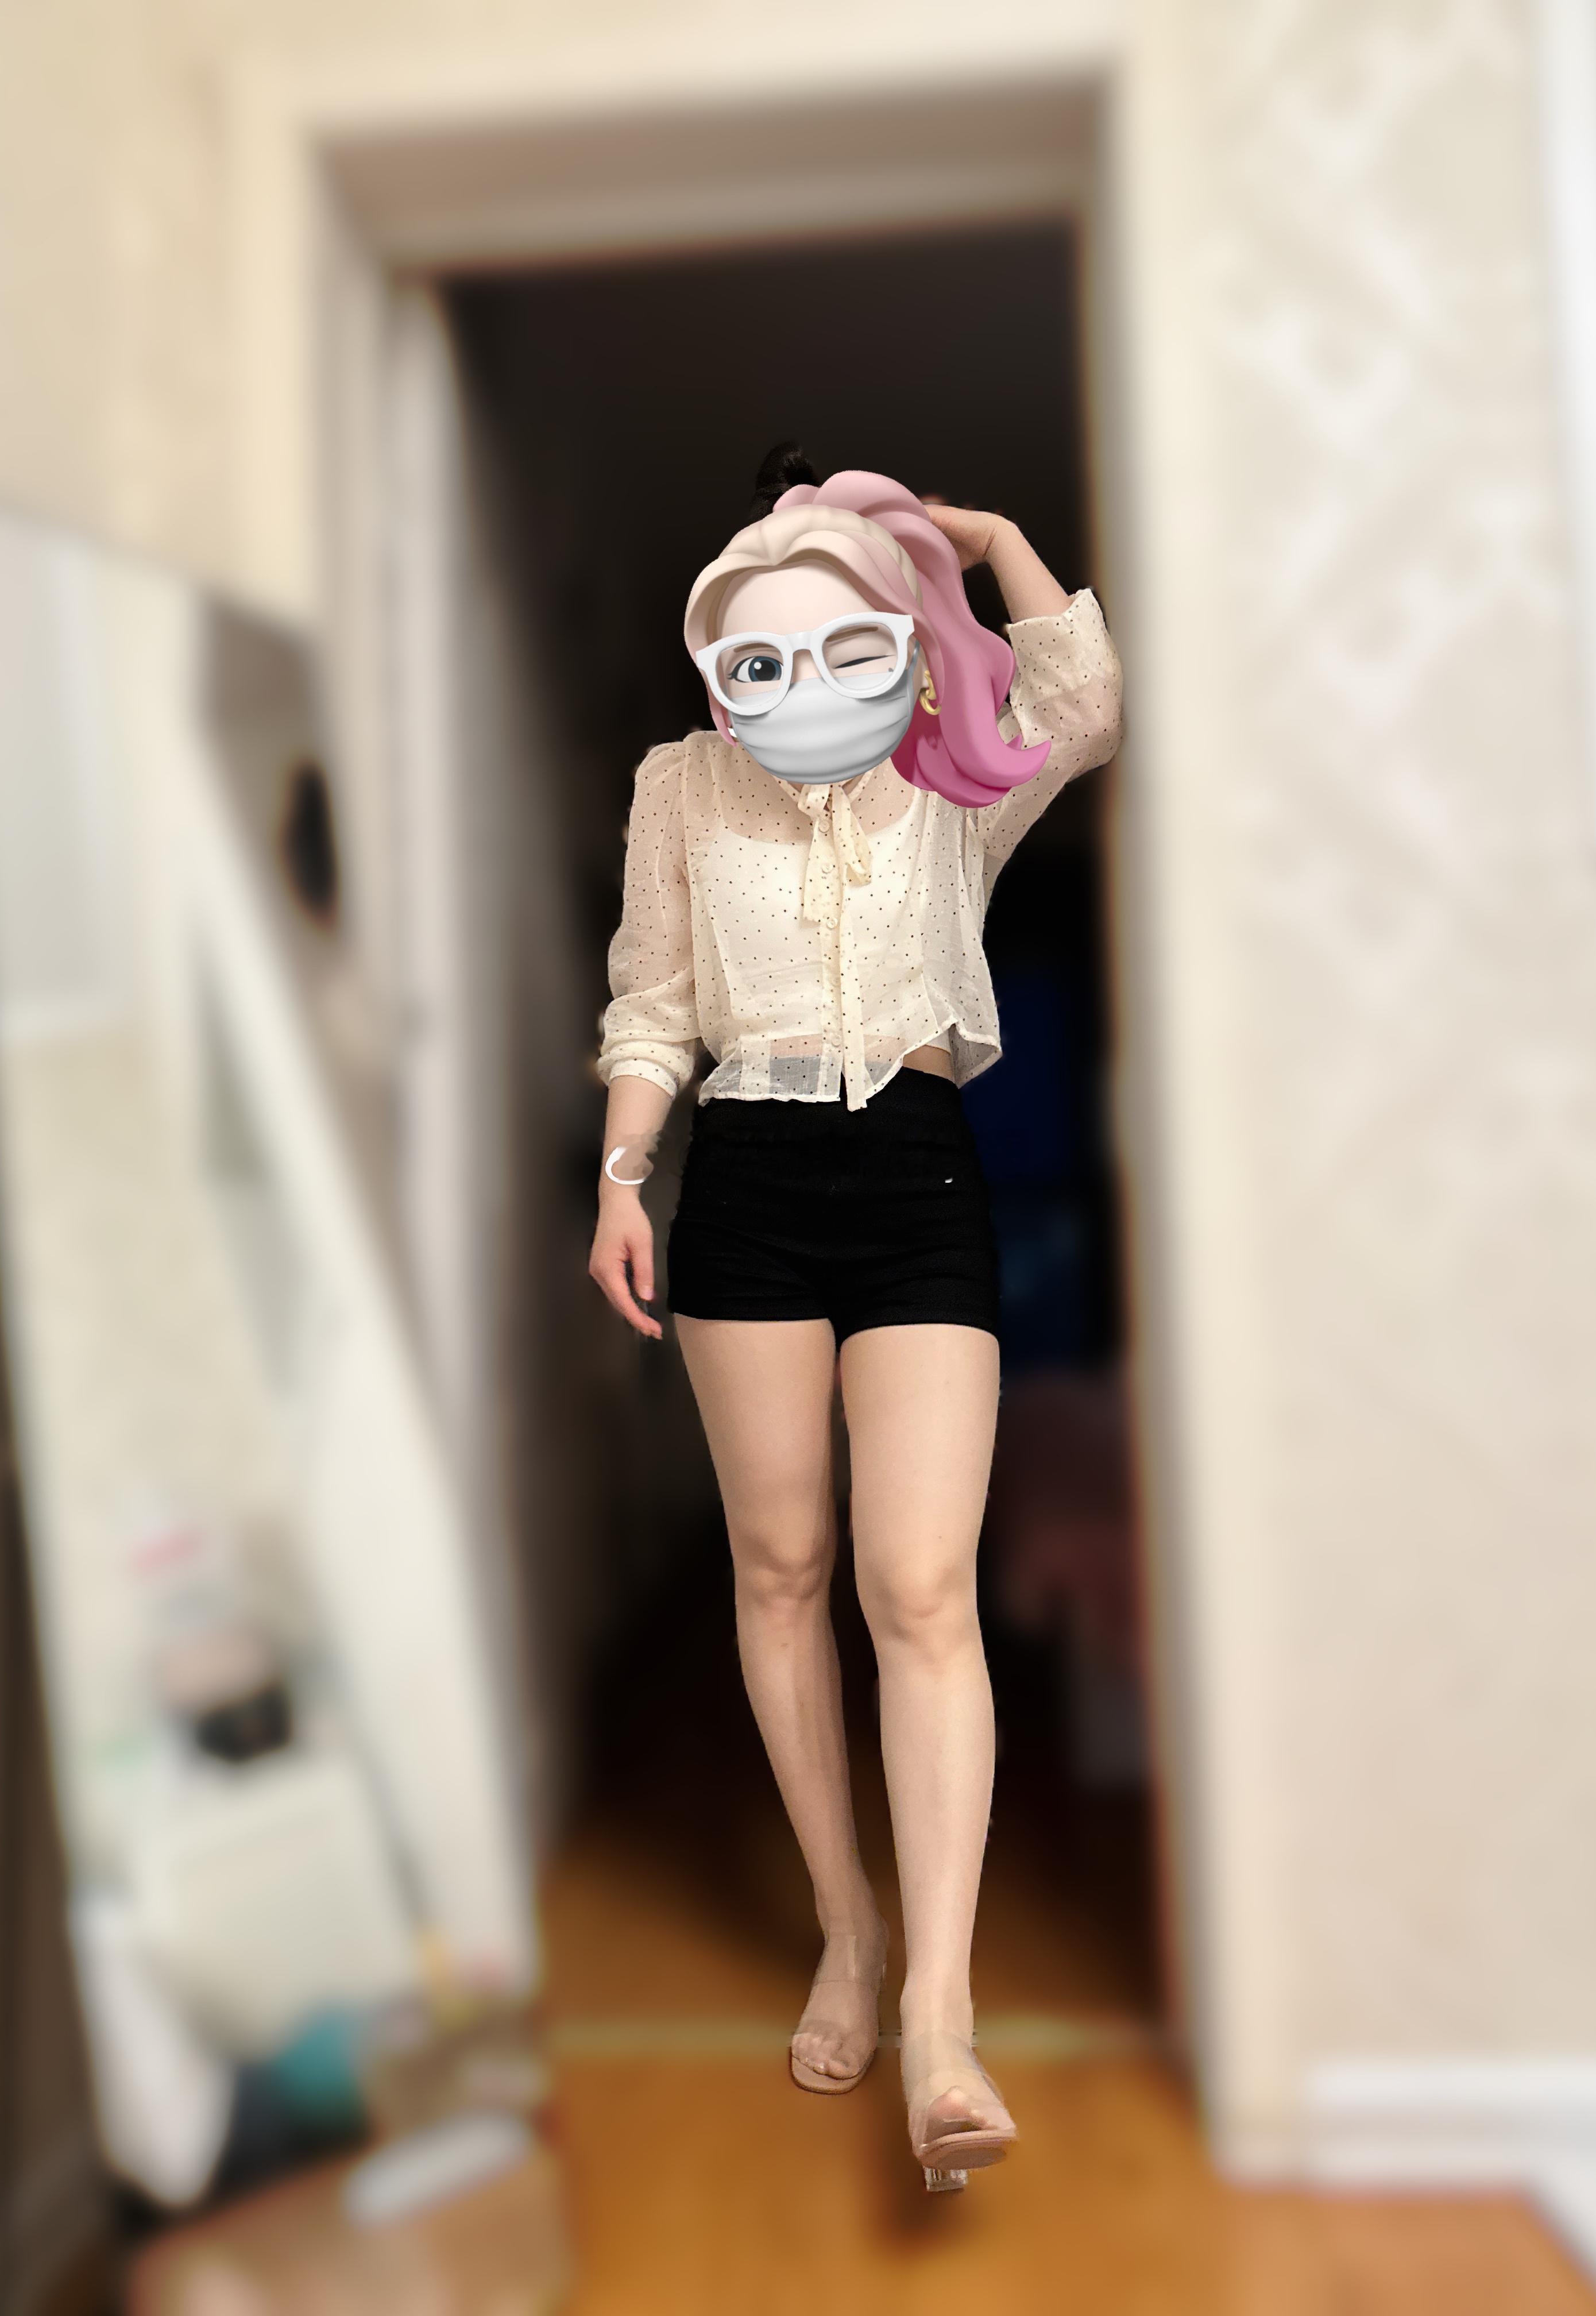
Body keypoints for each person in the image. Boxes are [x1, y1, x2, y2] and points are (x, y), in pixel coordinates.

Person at [588, 449, 1122, 2191]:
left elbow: (1086, 707)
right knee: (781, 1570)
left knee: (919, 1583)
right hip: (743, 1176)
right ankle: (849, 1928)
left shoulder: (954, 768)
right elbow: (654, 1000)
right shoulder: (685, 784)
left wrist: (991, 538)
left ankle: (943, 2018)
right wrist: (623, 1174)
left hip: (915, 1170)